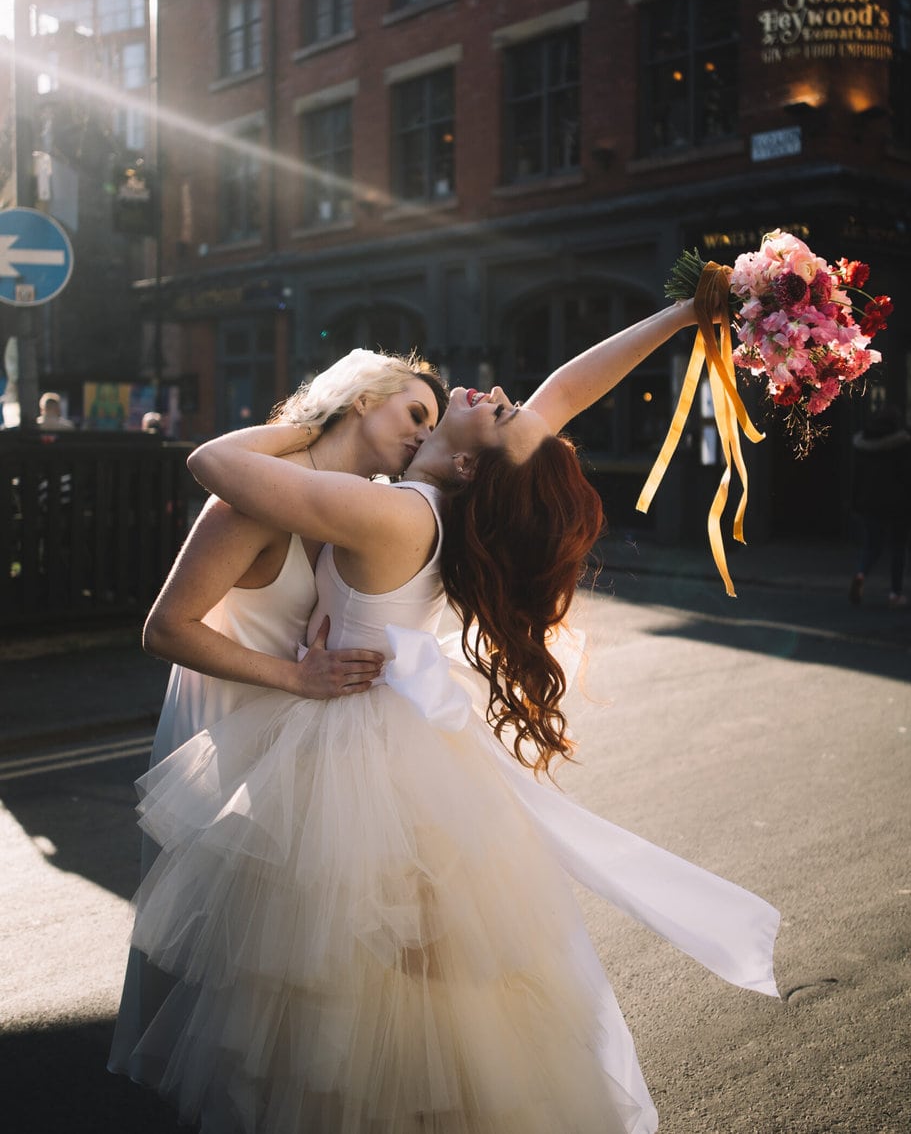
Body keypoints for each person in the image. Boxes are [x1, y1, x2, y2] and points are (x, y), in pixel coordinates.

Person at [120, 302, 780, 1134]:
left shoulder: (400, 513)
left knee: (338, 974)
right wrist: (683, 315)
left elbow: (212, 458)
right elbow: (570, 389)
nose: (499, 393)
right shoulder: (442, 504)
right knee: (407, 972)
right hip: (408, 744)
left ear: (472, 464)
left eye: (494, 411)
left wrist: (320, 418)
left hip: (354, 748)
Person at [108, 348, 448, 1088]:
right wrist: (296, 676)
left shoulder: (350, 508)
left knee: (305, 956)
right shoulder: (249, 500)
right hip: (233, 726)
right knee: (236, 959)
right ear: (363, 398)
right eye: (415, 412)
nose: (426, 432)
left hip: (303, 740)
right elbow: (166, 629)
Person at [848, 405, 911, 609]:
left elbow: (857, 478)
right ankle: (895, 594)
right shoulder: (902, 444)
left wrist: (855, 504)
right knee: (899, 548)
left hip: (869, 503)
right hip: (899, 505)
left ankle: (861, 573)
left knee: (872, 545)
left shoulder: (862, 444)